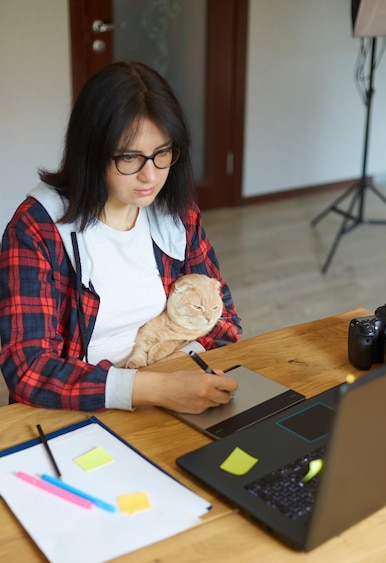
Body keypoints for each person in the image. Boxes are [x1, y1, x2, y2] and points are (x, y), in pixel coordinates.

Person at [0, 61, 241, 414]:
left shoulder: (176, 212)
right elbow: (29, 369)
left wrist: (183, 381)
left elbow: (224, 322)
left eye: (162, 154)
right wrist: (152, 388)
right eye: (130, 157)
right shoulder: (37, 228)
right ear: (91, 152)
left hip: (177, 387)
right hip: (81, 406)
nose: (150, 176)